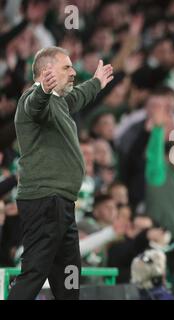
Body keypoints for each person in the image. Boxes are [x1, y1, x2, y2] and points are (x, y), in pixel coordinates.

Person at [9, 46, 113, 300]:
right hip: (45, 199)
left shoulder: (59, 102)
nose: (73, 71)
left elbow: (76, 97)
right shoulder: (32, 99)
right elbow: (35, 105)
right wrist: (43, 90)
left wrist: (96, 83)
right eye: (66, 67)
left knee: (69, 274)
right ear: (47, 71)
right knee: (35, 272)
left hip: (61, 202)